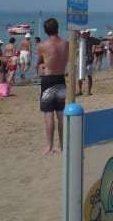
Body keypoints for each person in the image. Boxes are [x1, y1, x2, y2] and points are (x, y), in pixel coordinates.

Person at [37, 18, 70, 155]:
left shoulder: (42, 46)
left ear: (45, 31)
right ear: (57, 28)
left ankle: (49, 146)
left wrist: (41, 66)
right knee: (60, 114)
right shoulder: (66, 44)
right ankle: (62, 145)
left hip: (48, 80)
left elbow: (39, 63)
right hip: (61, 78)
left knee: (49, 114)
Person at [78, 31, 93, 96]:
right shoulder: (80, 40)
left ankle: (89, 91)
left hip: (89, 60)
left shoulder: (91, 39)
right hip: (82, 60)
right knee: (80, 76)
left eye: (88, 33)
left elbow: (100, 41)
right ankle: (80, 91)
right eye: (86, 33)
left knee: (89, 76)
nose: (87, 34)